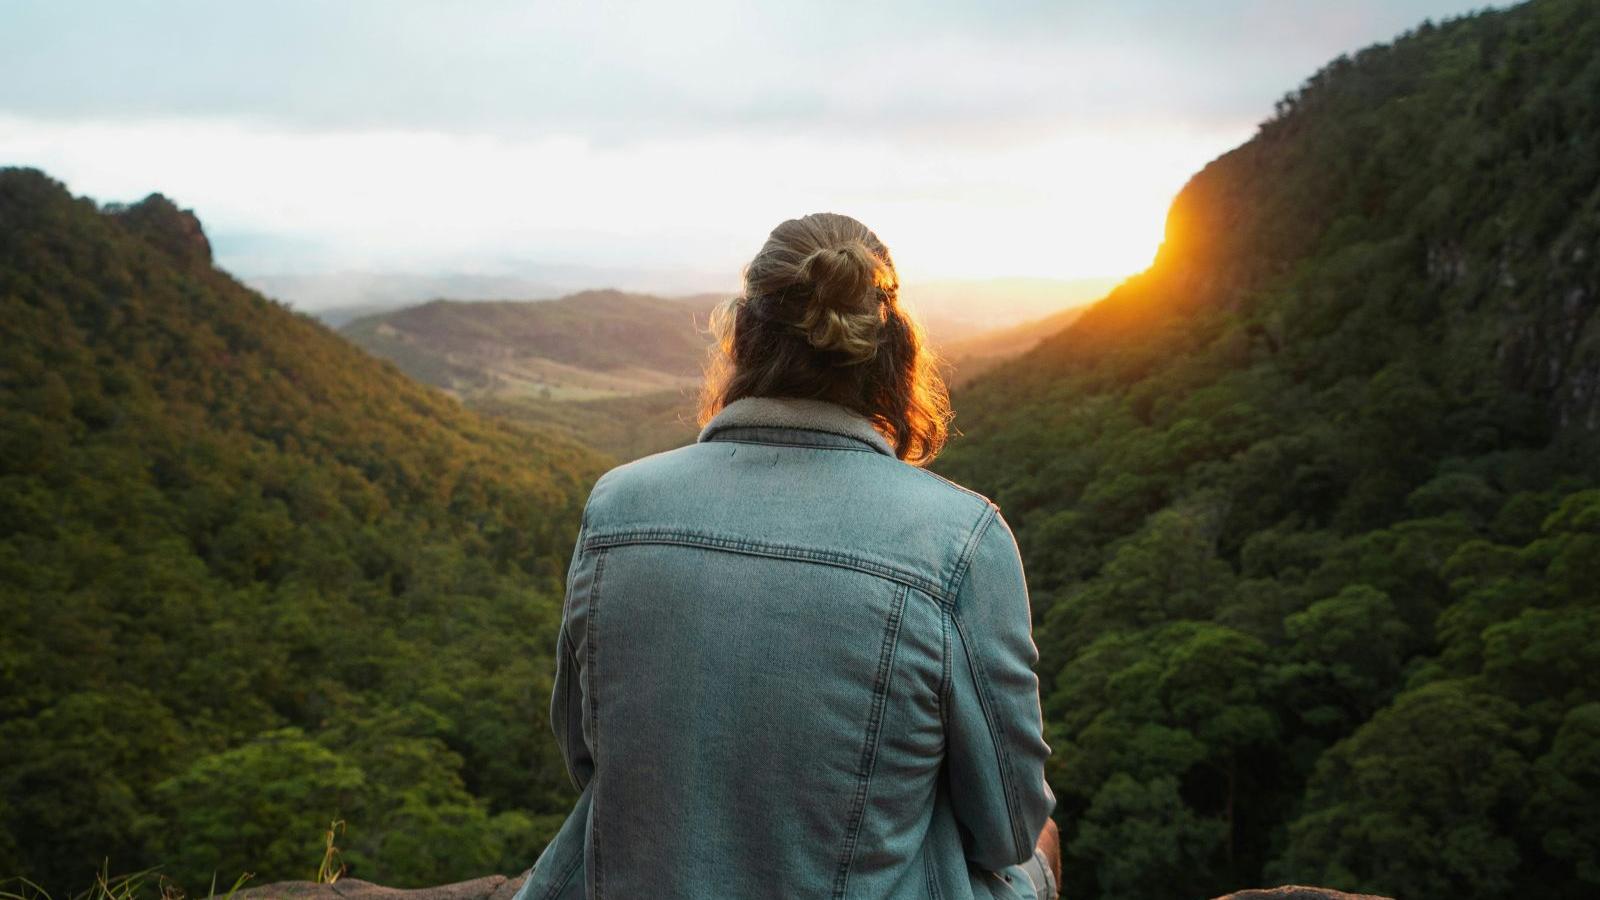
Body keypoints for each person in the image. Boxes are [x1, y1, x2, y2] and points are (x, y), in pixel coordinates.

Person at [514, 213, 1059, 900]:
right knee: (1042, 845)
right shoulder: (961, 539)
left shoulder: (617, 507)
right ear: (892, 354)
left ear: (743, 337)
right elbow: (1007, 827)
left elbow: (589, 756)